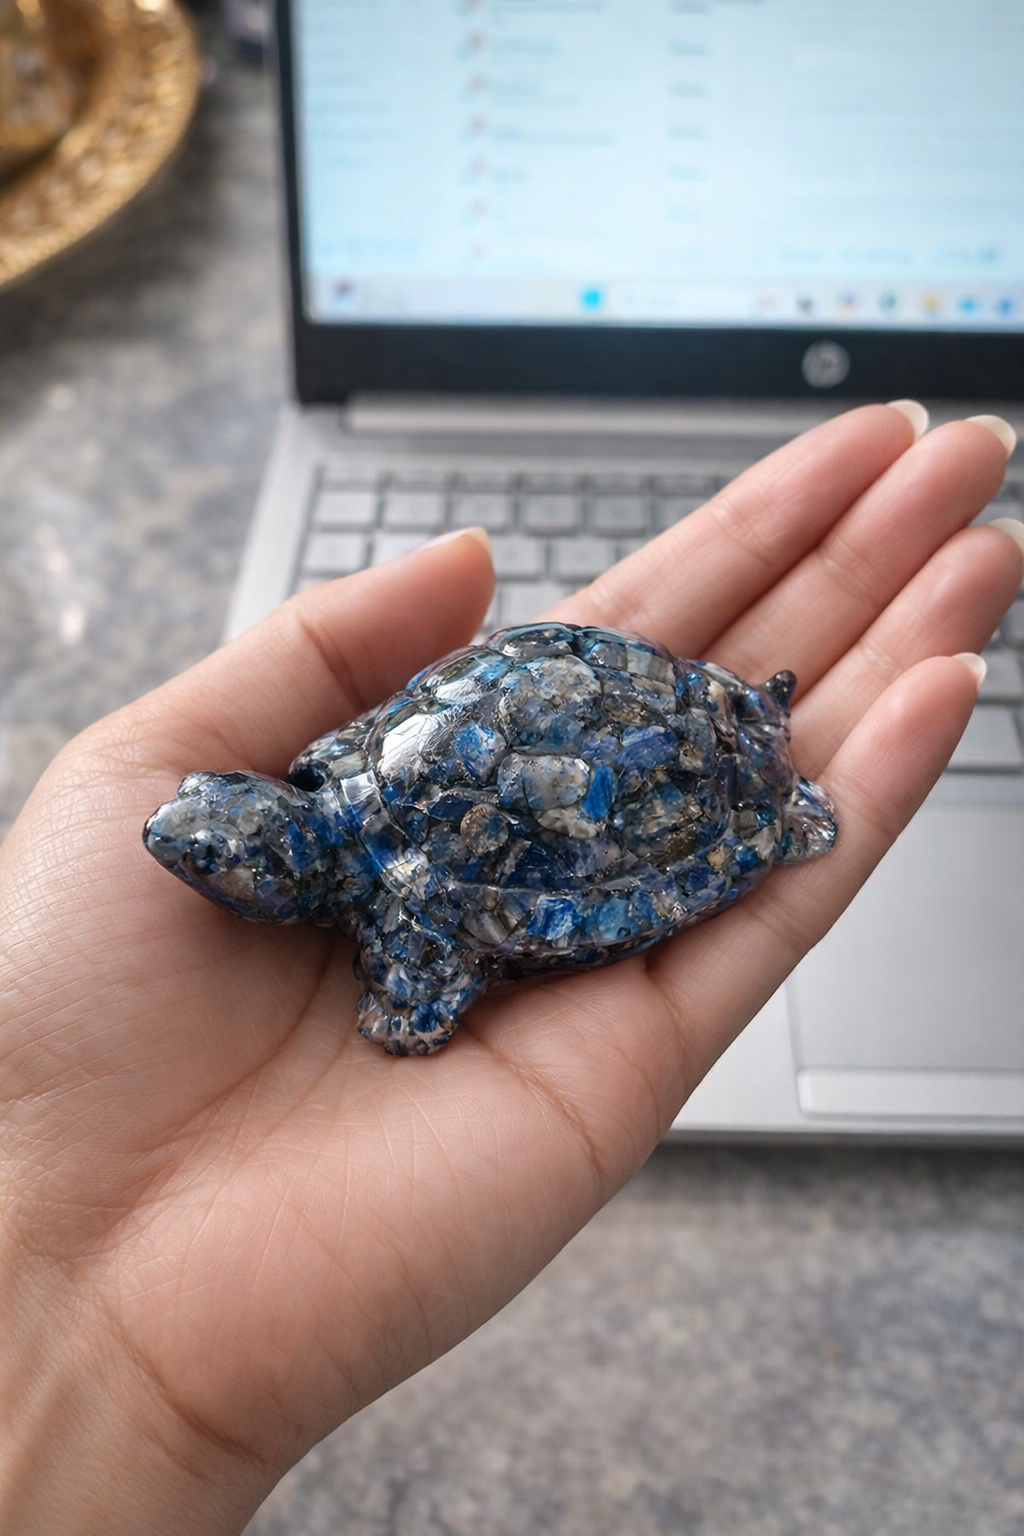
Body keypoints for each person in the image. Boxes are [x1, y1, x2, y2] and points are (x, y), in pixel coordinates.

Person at [1, 403, 1020, 1535]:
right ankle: (760, 793)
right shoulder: (369, 814)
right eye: (212, 848)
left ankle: (766, 818)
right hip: (640, 707)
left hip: (674, 764)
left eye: (214, 851)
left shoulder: (409, 910)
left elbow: (416, 1002)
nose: (185, 851)